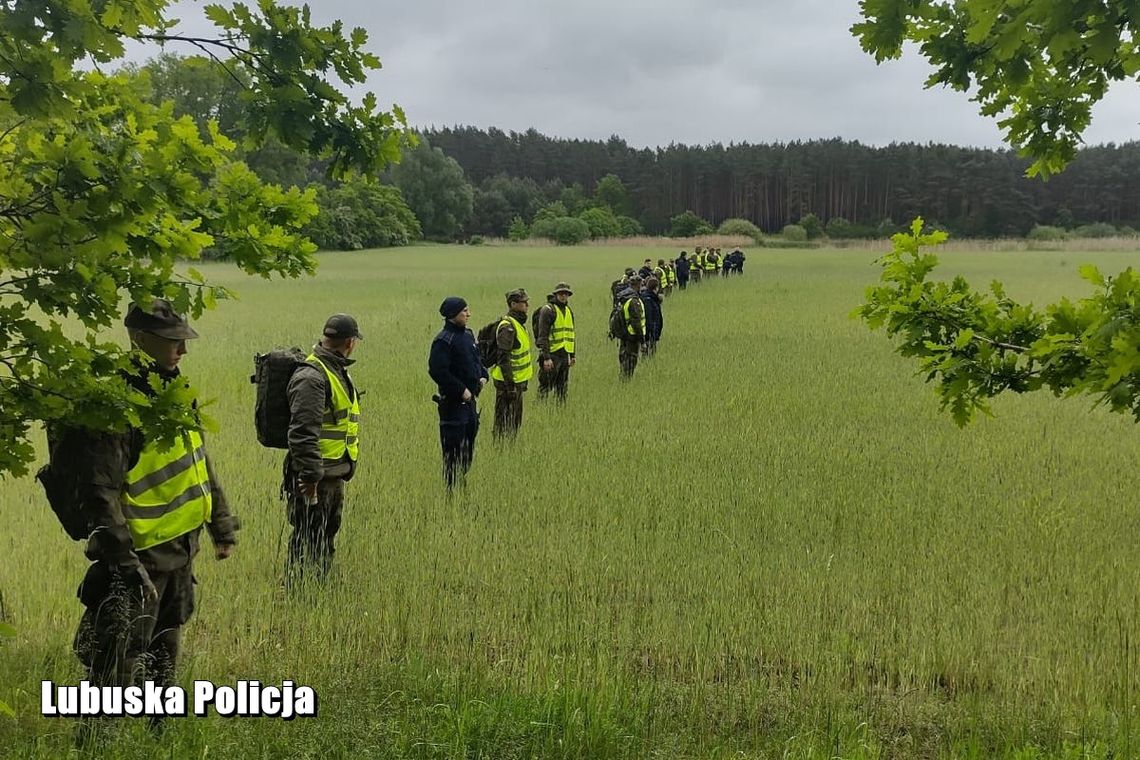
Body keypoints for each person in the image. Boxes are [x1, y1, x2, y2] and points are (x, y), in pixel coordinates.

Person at [71, 298, 238, 714]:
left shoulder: (177, 392)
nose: (182, 350)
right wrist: (125, 563)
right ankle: (98, 741)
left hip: (181, 549)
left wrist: (221, 524)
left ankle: (158, 730)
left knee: (166, 645)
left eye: (183, 340)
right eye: (172, 341)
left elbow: (198, 461)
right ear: (140, 340)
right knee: (117, 657)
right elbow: (100, 492)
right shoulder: (119, 405)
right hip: (138, 558)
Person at [284, 313, 362, 584]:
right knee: (308, 536)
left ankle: (318, 589)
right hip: (316, 476)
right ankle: (300, 593)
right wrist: (309, 477)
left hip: (332, 472)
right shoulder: (312, 377)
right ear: (350, 342)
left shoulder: (335, 370)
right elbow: (303, 432)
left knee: (324, 536)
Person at [429, 297, 487, 490]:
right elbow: (438, 371)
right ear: (453, 315)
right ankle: (451, 494)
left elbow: (477, 360)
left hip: (470, 407)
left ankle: (461, 489)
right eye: (464, 311)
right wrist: (461, 390)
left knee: (467, 453)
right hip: (453, 407)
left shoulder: (468, 335)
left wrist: (483, 377)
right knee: (452, 456)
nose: (468, 314)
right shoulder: (443, 341)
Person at [491, 289, 533, 439]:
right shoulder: (508, 327)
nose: (527, 305)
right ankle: (500, 449)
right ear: (513, 304)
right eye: (523, 302)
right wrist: (510, 386)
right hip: (507, 384)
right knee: (502, 422)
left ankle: (510, 447)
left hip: (517, 382)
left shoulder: (518, 324)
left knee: (514, 421)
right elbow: (503, 358)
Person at [533, 282, 576, 402]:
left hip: (564, 355)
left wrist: (572, 355)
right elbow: (543, 336)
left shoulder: (568, 311)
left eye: (566, 294)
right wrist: (546, 357)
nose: (563, 296)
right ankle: (540, 410)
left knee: (562, 389)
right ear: (556, 294)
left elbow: (571, 334)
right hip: (551, 355)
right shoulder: (548, 310)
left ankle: (560, 412)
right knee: (545, 388)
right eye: (561, 293)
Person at [615, 277, 645, 378]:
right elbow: (636, 322)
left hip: (624, 335)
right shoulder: (633, 301)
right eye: (641, 285)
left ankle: (623, 382)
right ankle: (625, 385)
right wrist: (642, 341)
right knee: (630, 363)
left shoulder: (624, 298)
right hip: (632, 337)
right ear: (638, 285)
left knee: (624, 361)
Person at [641, 277, 664, 357]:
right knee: (648, 354)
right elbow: (648, 318)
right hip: (650, 333)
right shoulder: (648, 300)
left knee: (651, 354)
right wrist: (650, 334)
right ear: (656, 287)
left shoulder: (652, 298)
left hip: (652, 332)